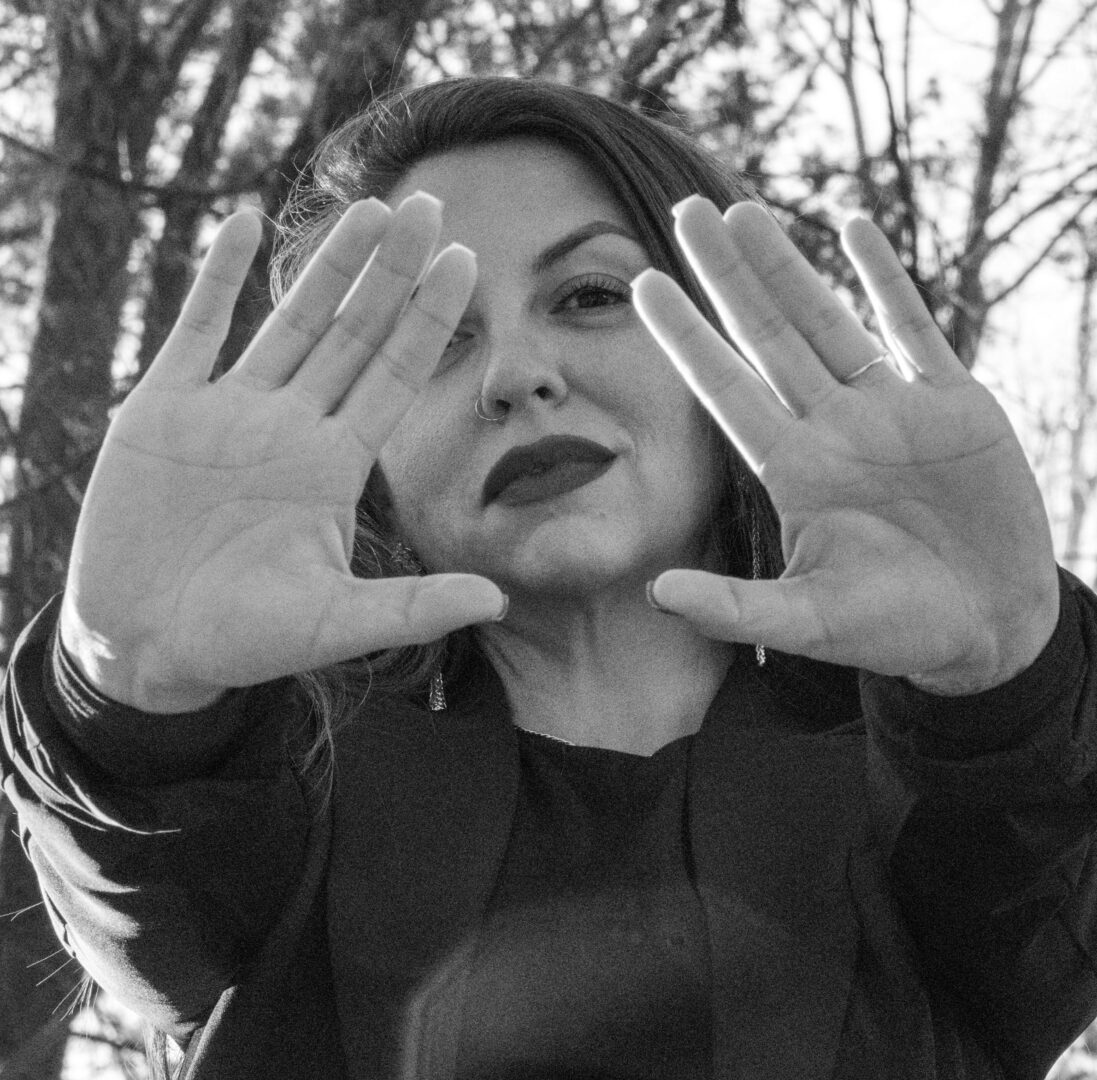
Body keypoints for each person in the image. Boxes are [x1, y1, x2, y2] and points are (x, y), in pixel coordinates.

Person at [1, 75, 1095, 1080]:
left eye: (587, 294)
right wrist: (121, 690)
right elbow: (140, 884)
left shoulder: (929, 801)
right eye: (437, 335)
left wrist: (1011, 673)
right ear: (365, 456)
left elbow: (1043, 874)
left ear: (726, 346)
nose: (516, 376)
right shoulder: (276, 815)